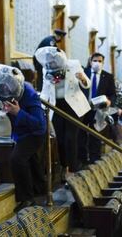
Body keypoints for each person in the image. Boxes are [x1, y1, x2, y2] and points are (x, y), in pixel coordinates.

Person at [0, 63, 47, 213]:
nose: (4, 90)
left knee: (17, 159)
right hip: (20, 132)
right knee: (31, 161)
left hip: (34, 133)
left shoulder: (29, 93)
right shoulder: (3, 89)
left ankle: (27, 199)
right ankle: (40, 190)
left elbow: (39, 124)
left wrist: (18, 112)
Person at [35, 46, 91, 179]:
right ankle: (64, 166)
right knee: (60, 139)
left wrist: (82, 78)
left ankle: (72, 171)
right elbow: (45, 89)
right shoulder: (46, 68)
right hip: (57, 106)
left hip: (74, 106)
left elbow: (87, 84)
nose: (52, 63)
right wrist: (41, 105)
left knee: (70, 138)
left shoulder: (73, 64)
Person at [79, 52, 116, 164]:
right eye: (95, 60)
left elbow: (113, 94)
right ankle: (83, 160)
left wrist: (110, 101)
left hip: (99, 110)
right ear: (90, 61)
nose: (97, 63)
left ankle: (95, 160)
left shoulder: (108, 77)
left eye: (100, 61)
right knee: (81, 135)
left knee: (96, 136)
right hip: (84, 108)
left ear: (103, 63)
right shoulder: (83, 73)